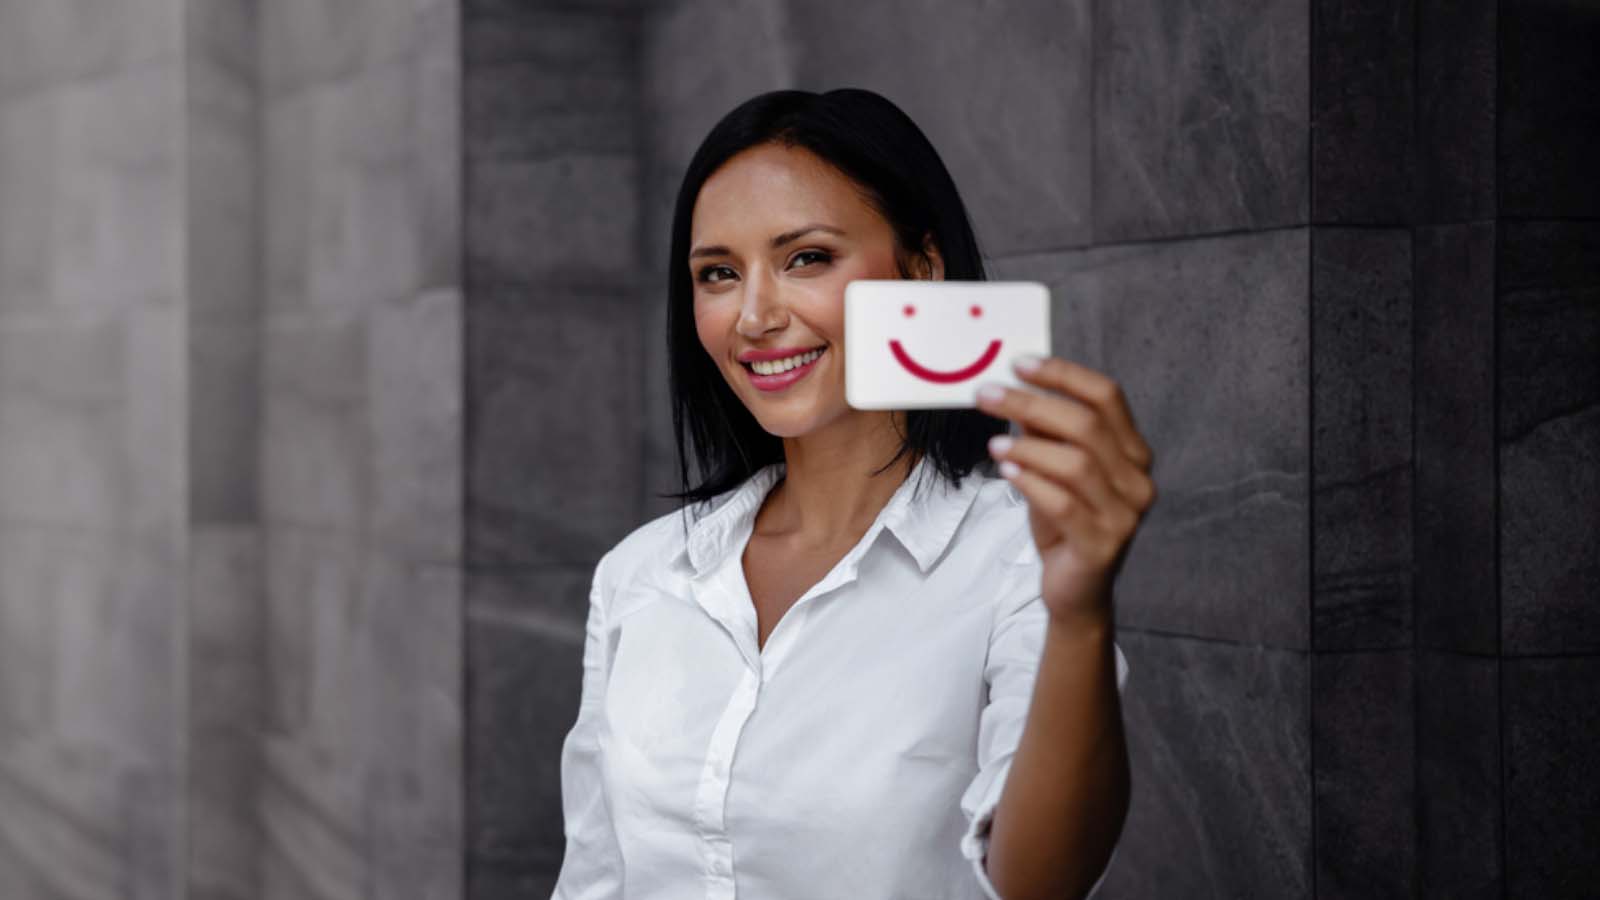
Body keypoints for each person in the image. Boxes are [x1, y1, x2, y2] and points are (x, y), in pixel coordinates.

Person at [551, 88, 1156, 900]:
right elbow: (593, 878)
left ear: (922, 270)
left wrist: (1079, 614)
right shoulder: (641, 575)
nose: (756, 316)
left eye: (806, 258)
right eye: (719, 274)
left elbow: (1038, 884)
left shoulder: (1020, 558)